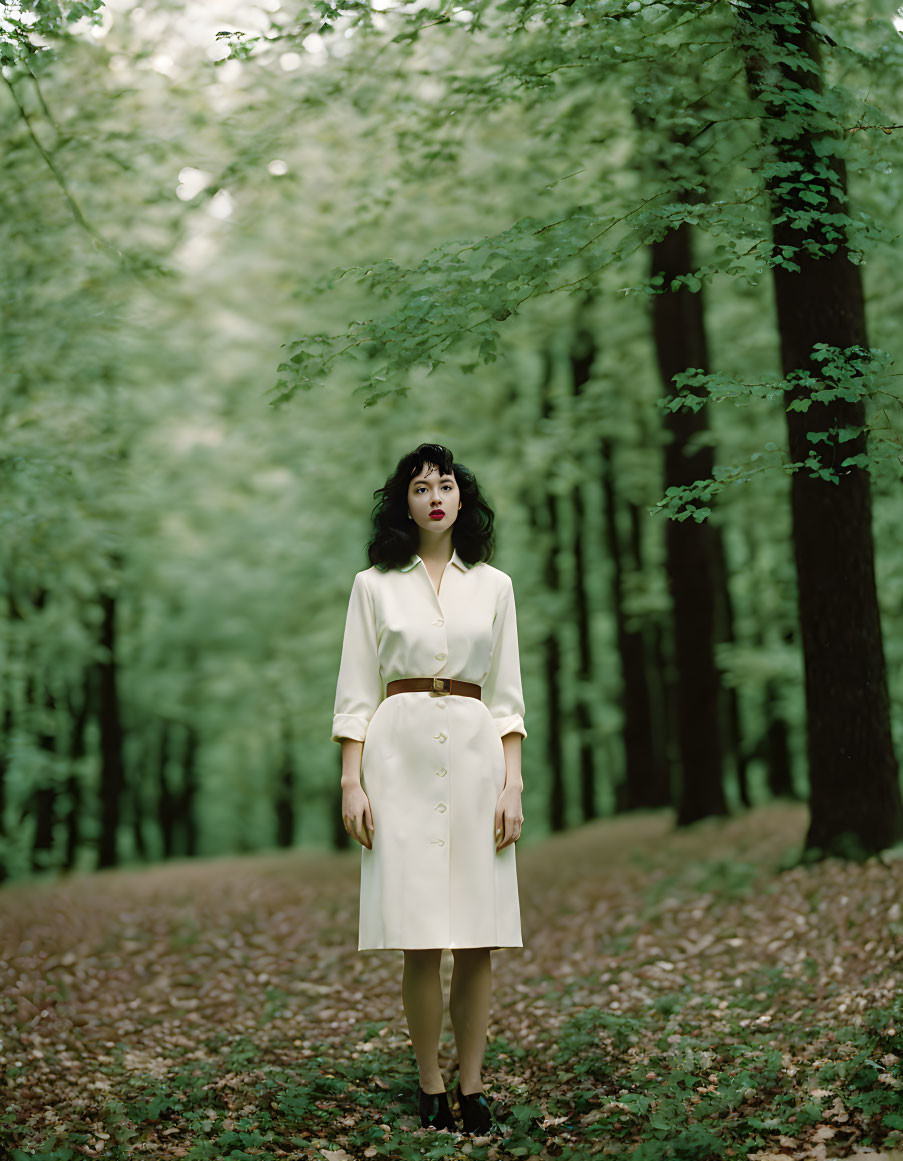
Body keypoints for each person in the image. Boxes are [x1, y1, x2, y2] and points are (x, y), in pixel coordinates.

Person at [332, 442, 527, 1135]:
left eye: (445, 485)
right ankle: (428, 1081)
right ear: (403, 502)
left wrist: (513, 782)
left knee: (476, 935)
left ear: (462, 498)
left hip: (476, 756)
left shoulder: (494, 585)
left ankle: (472, 1086)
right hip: (398, 755)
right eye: (420, 487)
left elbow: (507, 696)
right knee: (419, 936)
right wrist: (351, 780)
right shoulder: (373, 584)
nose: (434, 496)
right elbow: (355, 691)